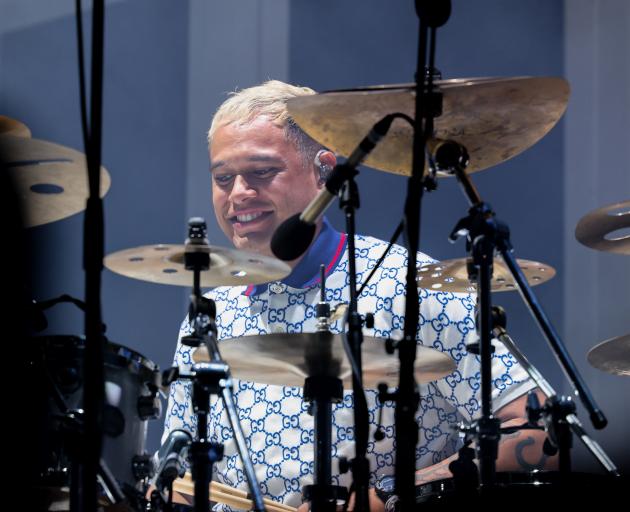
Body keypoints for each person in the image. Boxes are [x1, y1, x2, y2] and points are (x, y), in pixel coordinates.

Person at [162, 80, 555, 511]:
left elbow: (537, 431)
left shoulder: (409, 285)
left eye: (261, 172)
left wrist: (393, 492)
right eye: (223, 178)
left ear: (324, 171)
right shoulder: (212, 313)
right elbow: (175, 476)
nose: (238, 194)